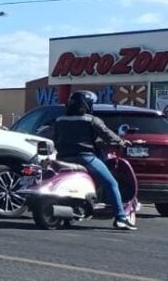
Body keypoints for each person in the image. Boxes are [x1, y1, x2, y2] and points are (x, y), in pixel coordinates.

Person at [53, 91, 136, 230]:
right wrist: (122, 142)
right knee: (111, 183)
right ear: (88, 104)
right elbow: (108, 135)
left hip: (62, 157)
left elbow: (55, 139)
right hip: (85, 157)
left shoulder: (60, 120)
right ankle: (121, 218)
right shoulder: (91, 120)